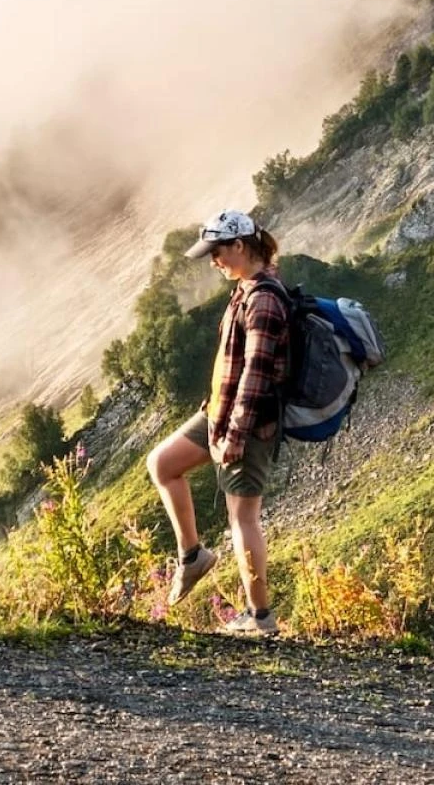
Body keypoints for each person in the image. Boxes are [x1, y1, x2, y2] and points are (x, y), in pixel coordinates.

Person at [145, 208, 289, 636]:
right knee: (163, 464)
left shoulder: (264, 298)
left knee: (243, 518)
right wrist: (216, 420)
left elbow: (257, 375)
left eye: (218, 251)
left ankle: (261, 617)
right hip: (217, 415)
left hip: (247, 425)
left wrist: (235, 436)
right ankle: (192, 556)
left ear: (240, 245)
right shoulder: (246, 288)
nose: (213, 261)